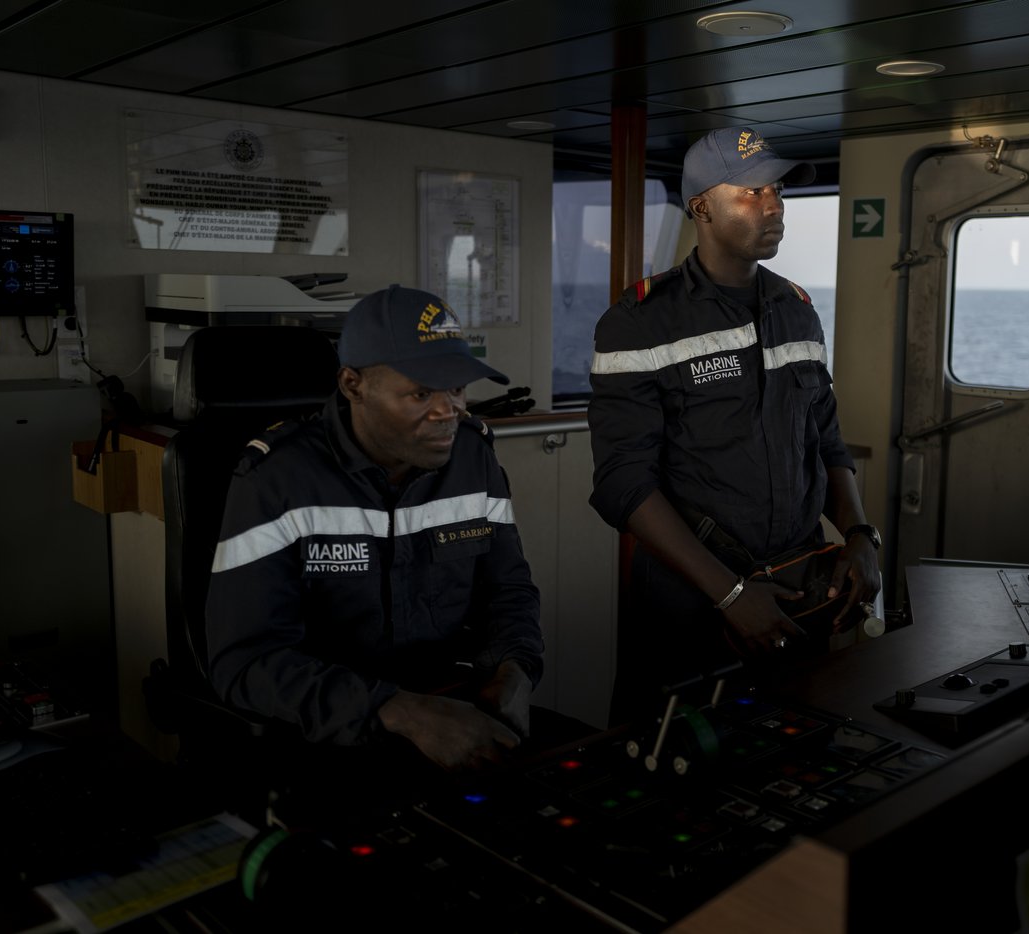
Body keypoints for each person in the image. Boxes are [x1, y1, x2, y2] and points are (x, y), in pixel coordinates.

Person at [588, 127, 882, 724]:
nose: (772, 205)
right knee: (680, 782)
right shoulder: (639, 321)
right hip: (692, 601)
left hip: (798, 591)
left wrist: (859, 537)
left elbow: (825, 439)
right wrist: (729, 594)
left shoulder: (797, 311)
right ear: (702, 207)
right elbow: (624, 483)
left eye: (776, 191)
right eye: (751, 192)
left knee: (798, 763)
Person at [206, 284, 546, 775]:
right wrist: (399, 711)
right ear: (352, 385)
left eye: (456, 388)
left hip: (454, 710)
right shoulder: (277, 479)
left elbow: (509, 591)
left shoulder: (473, 457)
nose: (447, 411)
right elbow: (245, 661)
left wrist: (516, 667)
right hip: (328, 741)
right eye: (422, 392)